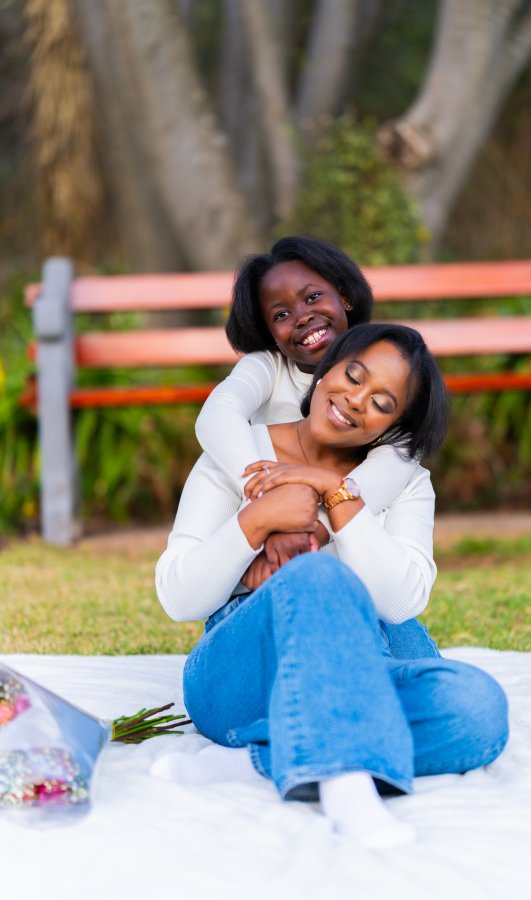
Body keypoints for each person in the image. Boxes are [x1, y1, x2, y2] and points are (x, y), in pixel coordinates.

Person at [154, 323, 509, 850]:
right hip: (242, 677)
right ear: (327, 366)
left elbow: (400, 601)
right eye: (353, 374)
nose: (355, 400)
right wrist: (255, 522)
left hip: (372, 655)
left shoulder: (405, 483)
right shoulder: (236, 452)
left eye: (382, 402)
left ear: (392, 428)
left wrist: (336, 494)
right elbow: (179, 597)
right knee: (317, 575)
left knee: (478, 708)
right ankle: (349, 791)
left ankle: (258, 764)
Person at [196, 235, 438, 658]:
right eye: (282, 313)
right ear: (269, 330)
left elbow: (396, 462)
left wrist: (312, 525)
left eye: (312, 297)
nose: (304, 317)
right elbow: (217, 416)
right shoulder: (267, 367)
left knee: (422, 670)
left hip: (339, 559)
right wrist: (275, 499)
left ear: (343, 296)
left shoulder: (384, 361)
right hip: (265, 563)